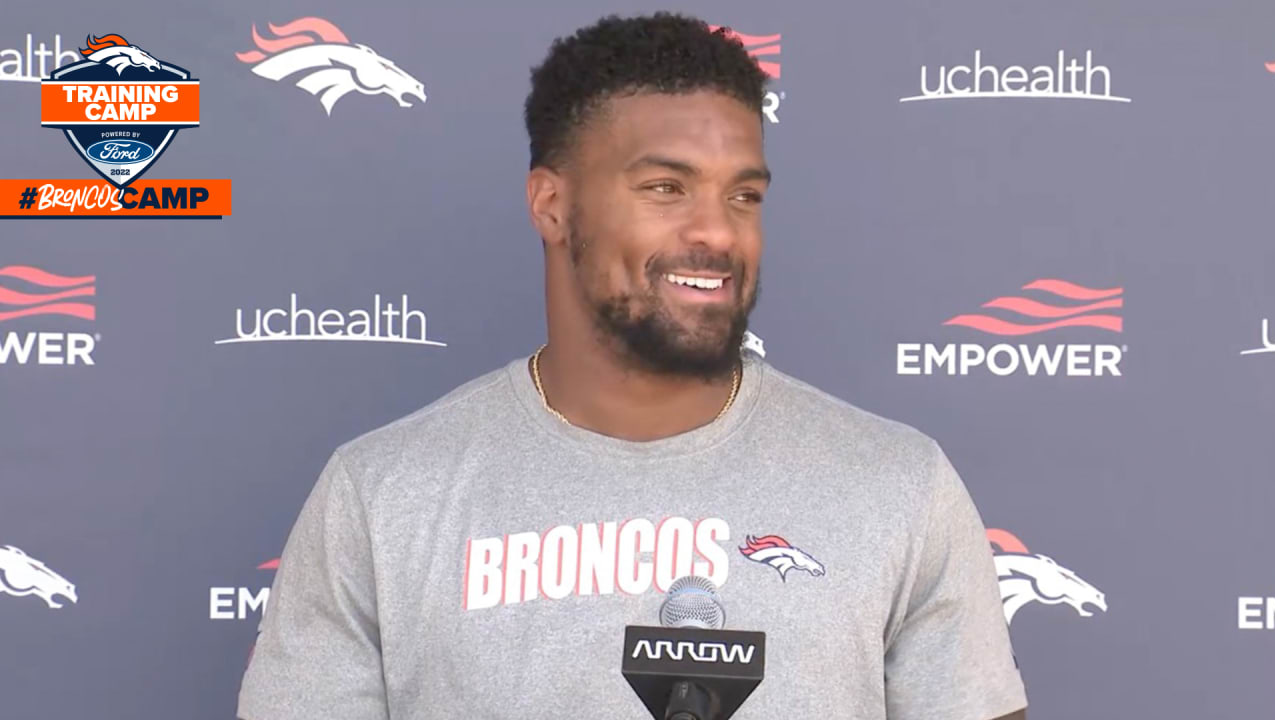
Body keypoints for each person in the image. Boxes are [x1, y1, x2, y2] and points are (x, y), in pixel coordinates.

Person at [237, 12, 1028, 720]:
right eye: (665, 187)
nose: (717, 233)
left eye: (743, 196)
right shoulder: (381, 498)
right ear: (551, 205)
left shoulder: (897, 485)